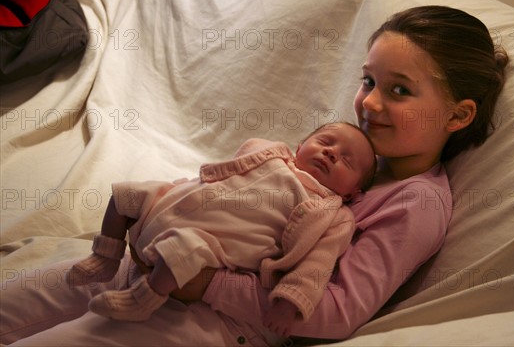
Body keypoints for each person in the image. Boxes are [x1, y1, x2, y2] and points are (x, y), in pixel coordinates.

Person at [0, 6, 508, 346]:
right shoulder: (355, 155)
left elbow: (335, 309)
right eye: (369, 81)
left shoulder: (416, 203)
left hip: (214, 316)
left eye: (400, 91)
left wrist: (204, 286)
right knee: (18, 299)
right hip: (156, 259)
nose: (370, 102)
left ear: (458, 116)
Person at [65, 122, 377, 334]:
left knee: (184, 252)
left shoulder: (332, 213)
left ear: (352, 193)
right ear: (299, 147)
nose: (331, 152)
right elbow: (223, 175)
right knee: (124, 195)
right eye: (324, 142)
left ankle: (143, 298)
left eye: (346, 161)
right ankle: (105, 256)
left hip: (211, 240)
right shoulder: (273, 154)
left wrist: (290, 301)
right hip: (175, 205)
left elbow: (316, 264)